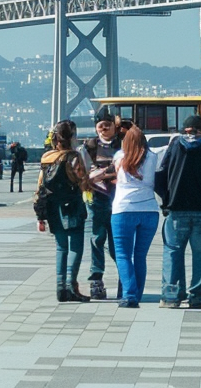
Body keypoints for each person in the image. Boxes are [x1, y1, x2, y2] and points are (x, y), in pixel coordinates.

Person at [154, 115, 201, 309]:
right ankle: (198, 296)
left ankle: (171, 296)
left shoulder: (174, 146)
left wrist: (166, 199)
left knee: (173, 251)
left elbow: (160, 175)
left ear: (184, 129)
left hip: (176, 208)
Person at [35, 120, 90, 302]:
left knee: (61, 247)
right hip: (72, 205)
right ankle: (70, 286)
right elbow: (84, 183)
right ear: (72, 137)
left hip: (52, 206)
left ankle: (60, 288)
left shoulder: (46, 157)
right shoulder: (74, 157)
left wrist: (40, 215)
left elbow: (41, 186)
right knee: (76, 246)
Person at [110, 127, 160, 309]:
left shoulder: (119, 156)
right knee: (140, 255)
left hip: (123, 209)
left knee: (123, 254)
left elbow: (117, 175)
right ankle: (137, 294)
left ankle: (129, 295)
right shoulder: (153, 157)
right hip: (149, 209)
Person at [77, 108, 121, 300]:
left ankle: (124, 279)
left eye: (108, 125)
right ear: (96, 128)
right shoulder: (89, 147)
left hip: (120, 201)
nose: (104, 128)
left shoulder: (123, 145)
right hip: (96, 200)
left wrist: (105, 173)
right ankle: (96, 280)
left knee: (117, 243)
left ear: (114, 126)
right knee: (97, 239)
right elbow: (81, 173)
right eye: (101, 125)